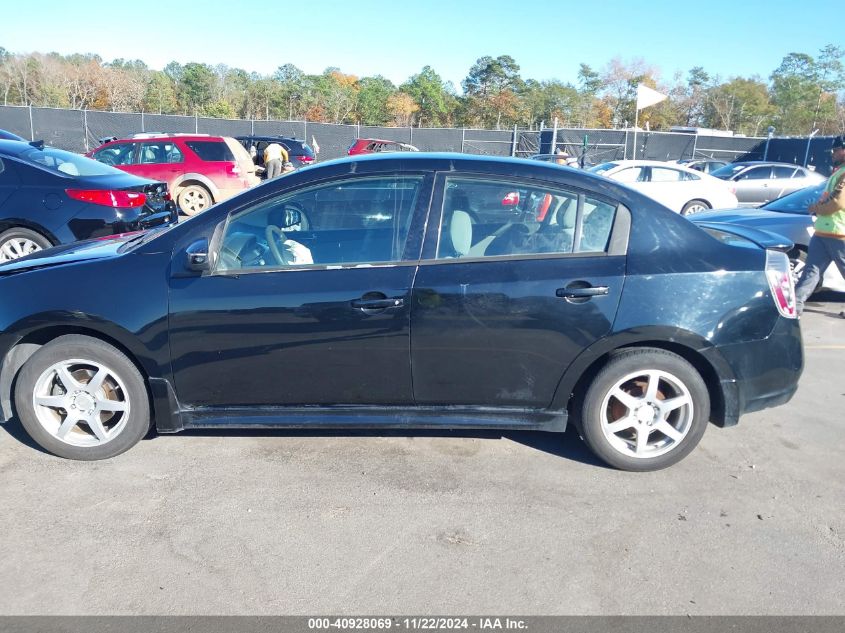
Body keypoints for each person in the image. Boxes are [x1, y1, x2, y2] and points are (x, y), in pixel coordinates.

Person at [794, 135, 845, 315]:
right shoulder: (839, 172)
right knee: (811, 271)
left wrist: (816, 208)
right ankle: (795, 307)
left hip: (839, 233)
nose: (833, 153)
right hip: (824, 232)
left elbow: (838, 203)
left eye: (836, 150)